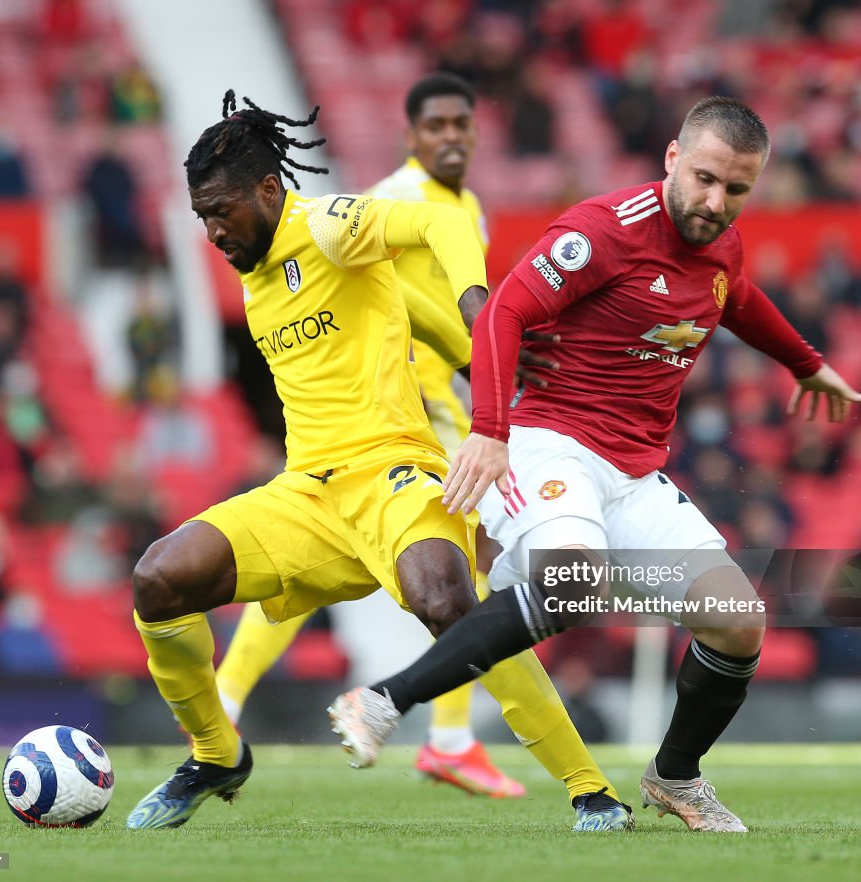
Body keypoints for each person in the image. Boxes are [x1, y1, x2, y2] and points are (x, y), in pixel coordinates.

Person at [328, 96, 861, 833]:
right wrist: (489, 431)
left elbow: (735, 298)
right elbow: (502, 312)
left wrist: (807, 366)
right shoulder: (602, 232)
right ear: (674, 159)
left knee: (739, 621)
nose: (715, 203)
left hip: (633, 470)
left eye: (736, 190)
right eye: (705, 179)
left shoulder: (722, 245)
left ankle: (676, 777)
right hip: (548, 439)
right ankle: (382, 700)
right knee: (573, 585)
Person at [125, 88, 632, 832]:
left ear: (269, 190)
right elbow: (393, 304)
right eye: (201, 215)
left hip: (395, 473)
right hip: (307, 494)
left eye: (220, 210)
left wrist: (475, 307)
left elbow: (436, 219)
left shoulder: (326, 225)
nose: (211, 230)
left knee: (447, 600)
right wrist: (463, 349)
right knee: (158, 578)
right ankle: (215, 753)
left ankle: (589, 789)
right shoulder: (255, 267)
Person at [214, 73, 527, 799]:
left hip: (431, 397)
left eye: (462, 125)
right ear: (410, 137)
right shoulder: (399, 200)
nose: (451, 137)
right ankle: (447, 738)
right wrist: (471, 351)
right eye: (436, 126)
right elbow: (400, 297)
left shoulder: (465, 203)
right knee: (445, 554)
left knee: (382, 563)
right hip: (399, 402)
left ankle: (446, 736)